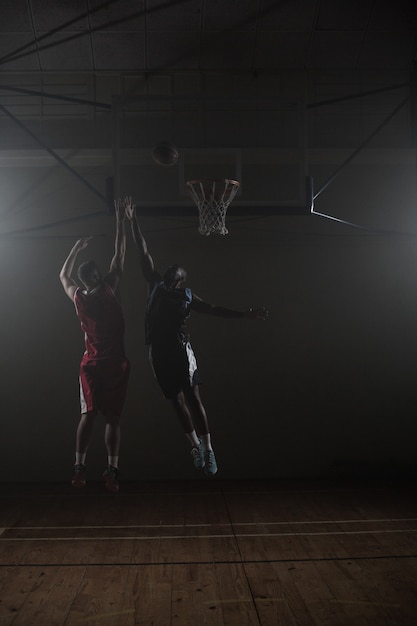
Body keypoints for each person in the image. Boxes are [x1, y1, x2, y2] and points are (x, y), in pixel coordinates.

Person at [125, 198, 268, 477]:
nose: (169, 272)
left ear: (180, 280)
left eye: (175, 273)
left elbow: (214, 309)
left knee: (192, 398)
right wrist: (133, 219)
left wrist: (243, 315)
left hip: (180, 350)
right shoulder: (155, 283)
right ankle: (194, 446)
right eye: (169, 270)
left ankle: (208, 447)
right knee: (175, 401)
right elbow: (142, 250)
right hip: (158, 350)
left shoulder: (187, 297)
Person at [59, 199, 130, 493]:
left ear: (83, 280)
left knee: (87, 414)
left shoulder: (78, 296)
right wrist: (120, 220)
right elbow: (121, 252)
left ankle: (79, 467)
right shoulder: (110, 287)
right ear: (98, 276)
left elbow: (63, 276)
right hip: (115, 363)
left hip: (91, 363)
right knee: (112, 418)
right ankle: (112, 469)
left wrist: (75, 249)